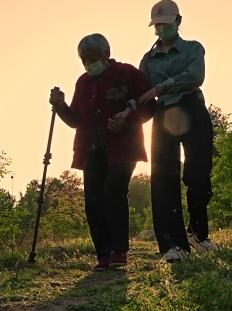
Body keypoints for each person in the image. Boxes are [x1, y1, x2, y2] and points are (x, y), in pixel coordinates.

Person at [50, 33, 155, 271]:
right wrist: (60, 106)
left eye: (92, 57)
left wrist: (128, 121)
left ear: (106, 54)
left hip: (124, 149)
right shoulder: (83, 82)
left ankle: (119, 250)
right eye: (84, 59)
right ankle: (103, 254)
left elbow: (149, 104)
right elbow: (76, 120)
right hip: (91, 151)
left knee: (113, 192)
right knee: (93, 200)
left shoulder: (127, 73)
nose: (88, 63)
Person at [138, 0, 217, 263]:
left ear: (178, 22)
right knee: (163, 178)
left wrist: (163, 86)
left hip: (192, 108)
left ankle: (197, 233)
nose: (161, 28)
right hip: (163, 115)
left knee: (199, 174)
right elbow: (142, 93)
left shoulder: (194, 49)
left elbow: (195, 77)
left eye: (166, 23)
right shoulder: (147, 60)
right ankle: (173, 246)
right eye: (157, 24)